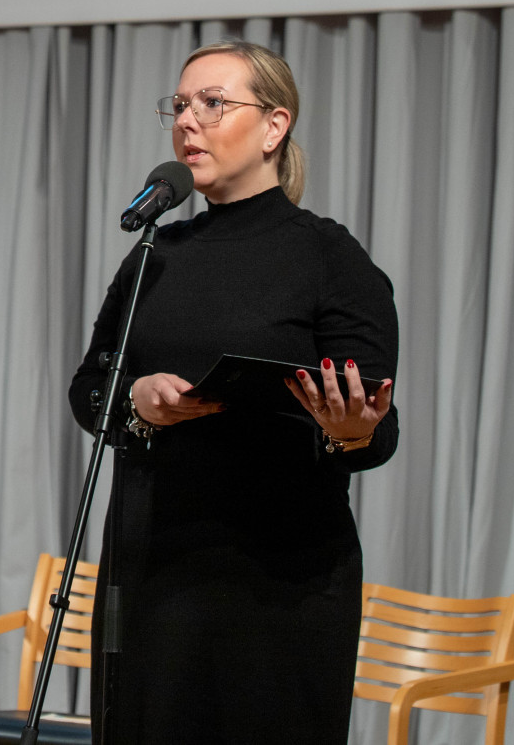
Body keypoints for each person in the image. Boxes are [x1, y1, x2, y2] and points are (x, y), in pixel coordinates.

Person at [69, 39, 398, 744]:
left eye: (213, 103)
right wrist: (136, 400)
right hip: (151, 571)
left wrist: (352, 430)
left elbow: (377, 424)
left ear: (274, 126)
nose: (189, 120)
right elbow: (89, 386)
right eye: (180, 105)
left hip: (279, 585)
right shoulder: (156, 254)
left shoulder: (328, 256)